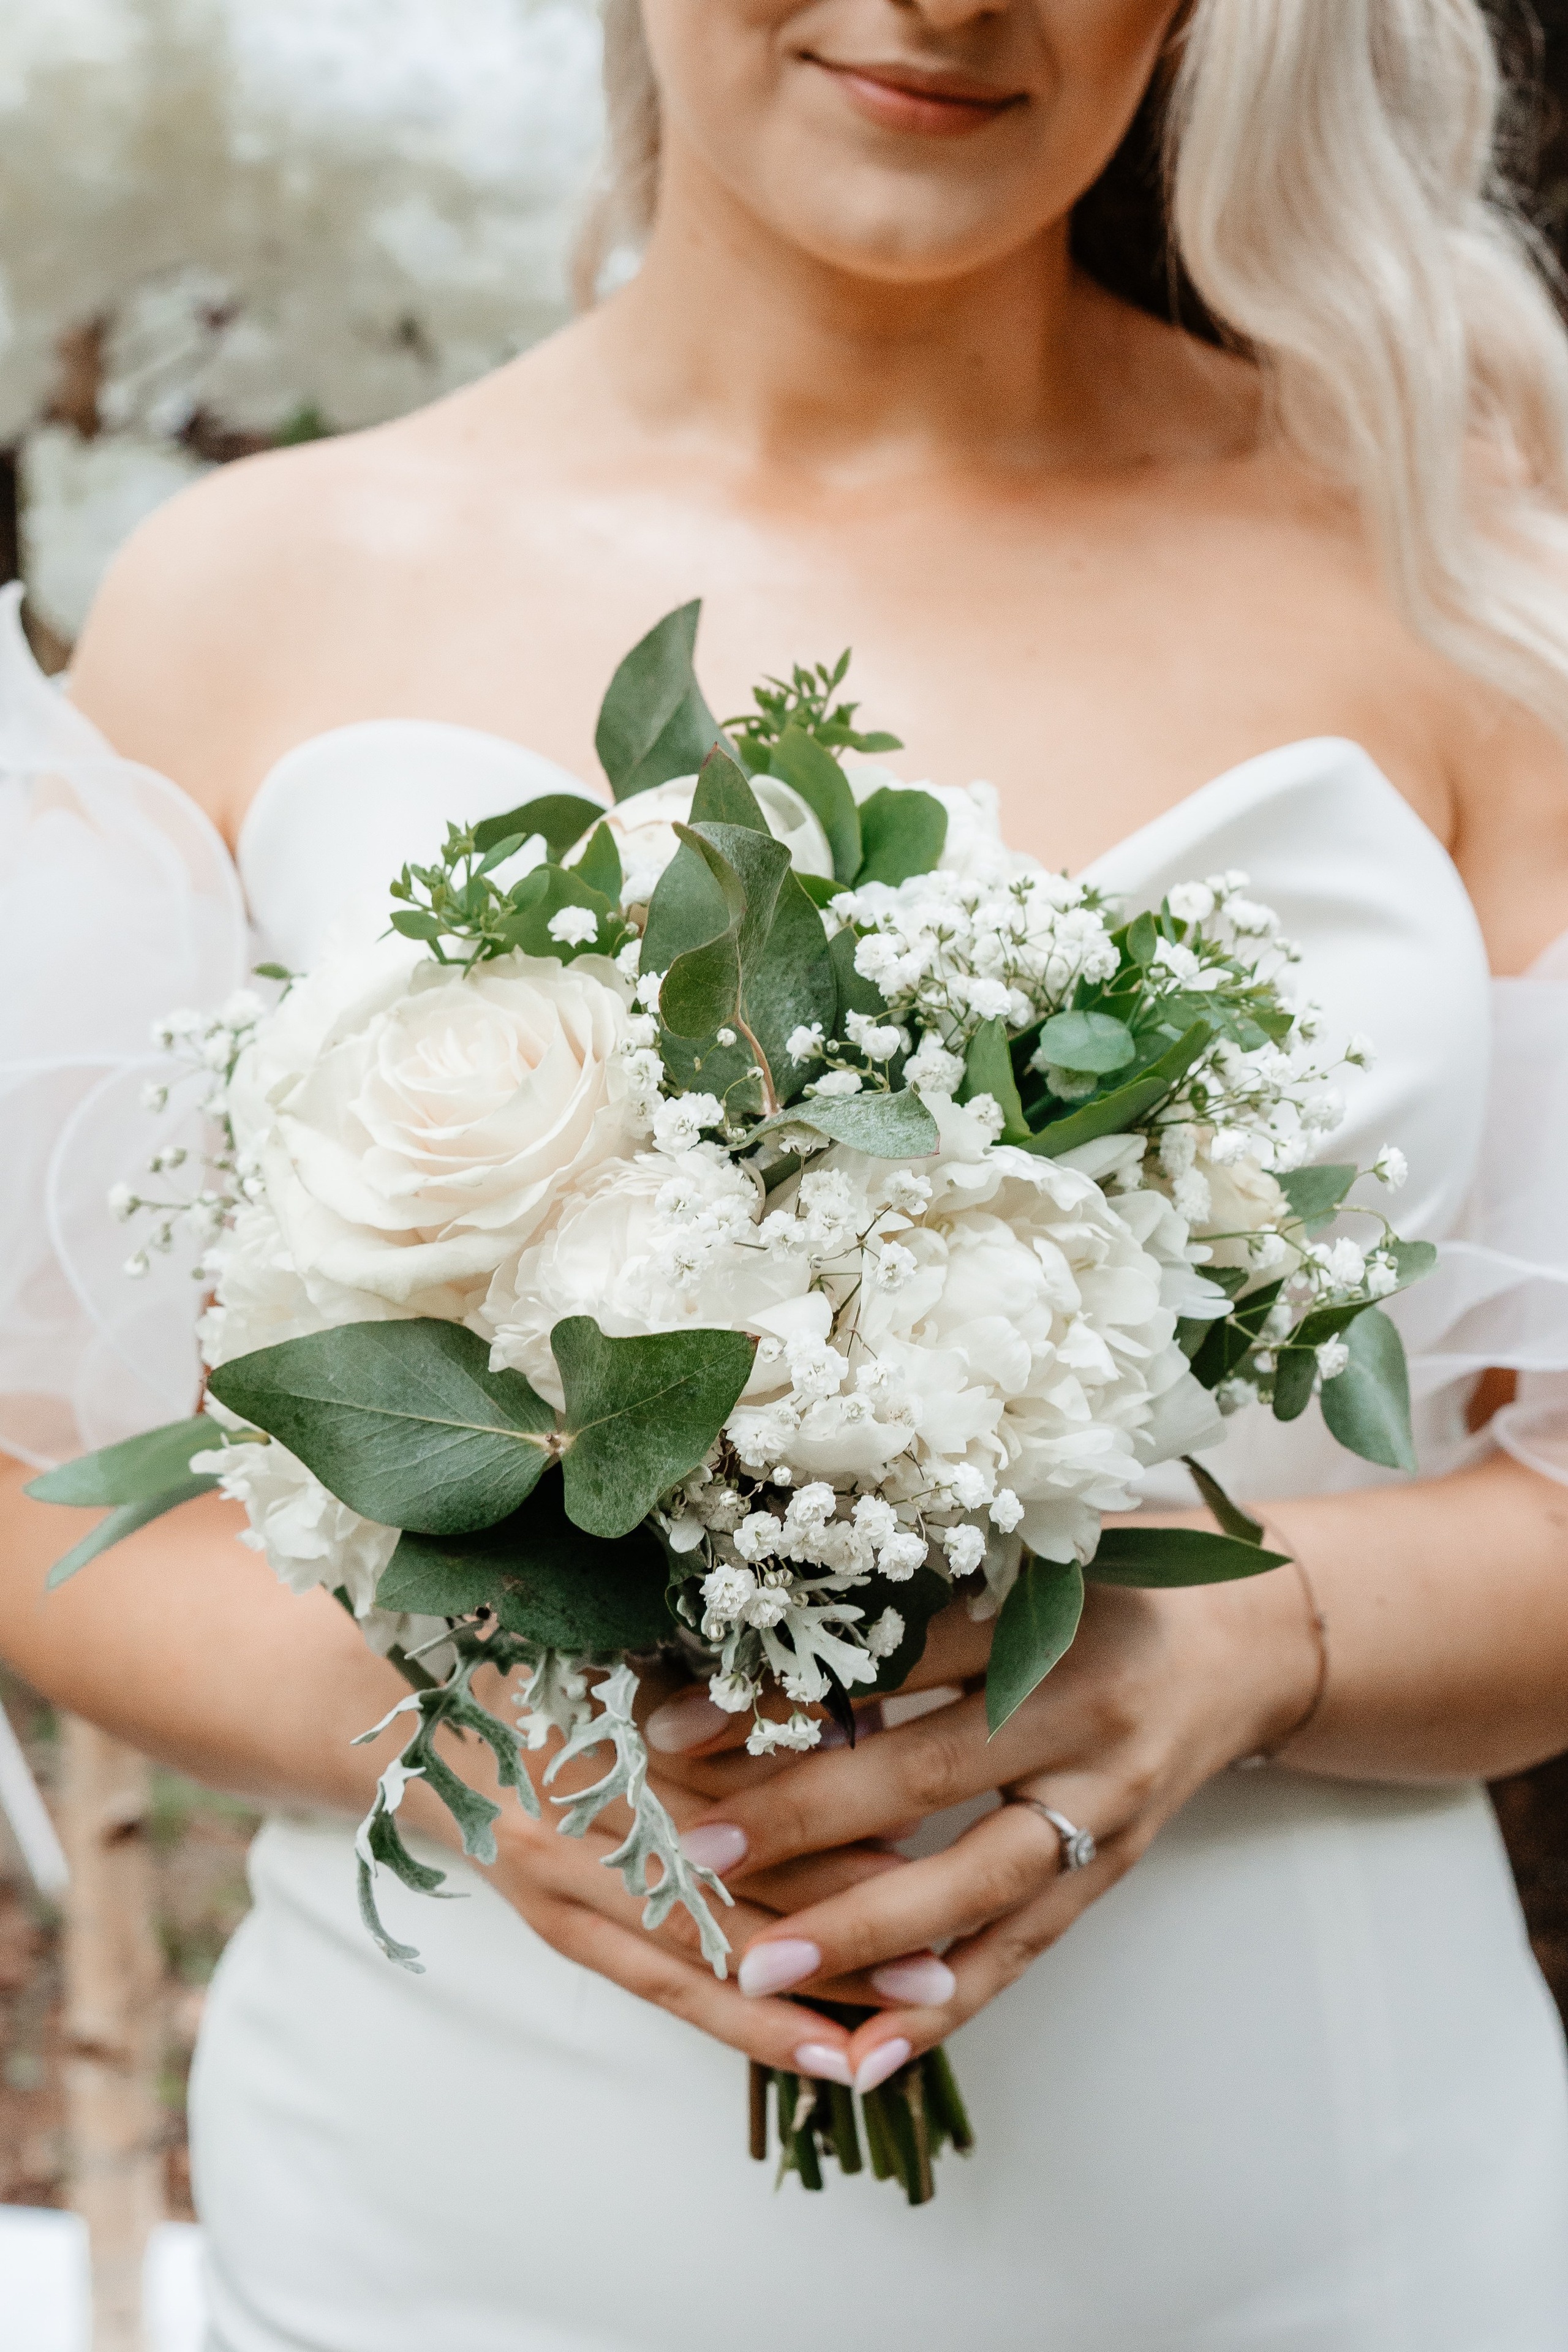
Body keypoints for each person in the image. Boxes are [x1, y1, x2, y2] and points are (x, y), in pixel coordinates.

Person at [6, 0, 1568, 2343]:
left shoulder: (1474, 591)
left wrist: (1252, 1644)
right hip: (449, 2243)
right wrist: (478, 1747)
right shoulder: (249, 596)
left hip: (1326, 2228)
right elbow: (45, 1482)